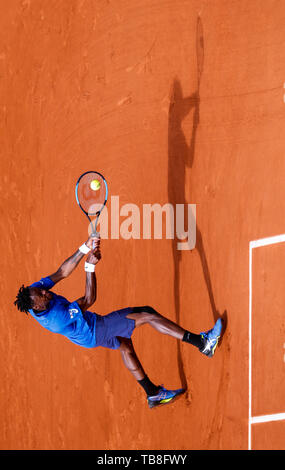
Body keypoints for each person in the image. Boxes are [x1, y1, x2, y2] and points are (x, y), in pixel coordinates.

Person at [14, 235, 223, 409]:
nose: (44, 290)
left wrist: (84, 247)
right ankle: (203, 343)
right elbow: (89, 299)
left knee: (126, 346)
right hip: (95, 330)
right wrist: (89, 267)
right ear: (38, 307)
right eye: (41, 294)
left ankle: (153, 394)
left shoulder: (33, 296)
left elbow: (61, 273)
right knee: (146, 314)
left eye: (40, 289)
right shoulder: (56, 319)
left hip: (85, 334)